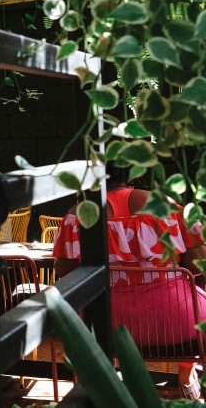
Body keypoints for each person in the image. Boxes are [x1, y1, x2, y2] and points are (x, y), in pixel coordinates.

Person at [53, 165, 206, 399]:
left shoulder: (77, 215)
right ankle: (186, 371)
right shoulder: (163, 204)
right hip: (177, 323)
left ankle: (106, 389)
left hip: (105, 324)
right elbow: (198, 265)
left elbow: (66, 274)